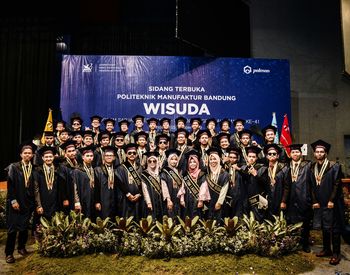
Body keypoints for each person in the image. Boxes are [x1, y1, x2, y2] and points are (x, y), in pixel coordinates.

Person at [310, 139, 344, 265]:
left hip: (331, 202)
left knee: (334, 228)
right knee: (324, 226)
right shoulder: (312, 167)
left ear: (326, 153)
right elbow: (311, 185)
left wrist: (331, 200)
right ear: (314, 154)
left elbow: (336, 184)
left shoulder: (334, 166)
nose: (319, 153)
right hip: (319, 202)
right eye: (317, 152)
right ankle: (326, 249)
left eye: (321, 152)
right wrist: (314, 200)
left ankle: (336, 253)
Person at [4, 142, 37, 264]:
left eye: (29, 153)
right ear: (21, 154)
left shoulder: (34, 169)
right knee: (12, 229)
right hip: (15, 202)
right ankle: (9, 253)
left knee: (23, 227)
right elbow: (10, 186)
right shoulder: (14, 167)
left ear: (32, 155)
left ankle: (21, 247)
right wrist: (13, 200)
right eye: (25, 153)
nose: (27, 155)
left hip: (27, 203)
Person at [285, 144, 312, 253]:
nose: (295, 154)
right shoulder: (287, 166)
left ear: (301, 153)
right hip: (291, 198)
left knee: (305, 222)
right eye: (293, 152)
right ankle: (293, 243)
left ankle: (305, 244)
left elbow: (311, 183)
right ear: (290, 154)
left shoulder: (307, 165)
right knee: (291, 221)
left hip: (303, 197)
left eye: (297, 152)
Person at [198, 147, 229, 222]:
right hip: (208, 203)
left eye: (215, 159)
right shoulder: (207, 173)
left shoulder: (224, 173)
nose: (213, 161)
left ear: (218, 160)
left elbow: (224, 189)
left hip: (220, 202)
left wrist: (219, 202)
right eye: (211, 159)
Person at [115, 143, 144, 221]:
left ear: (137, 154)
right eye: (129, 153)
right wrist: (128, 194)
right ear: (126, 155)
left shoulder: (140, 168)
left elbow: (144, 183)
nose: (132, 155)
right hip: (125, 198)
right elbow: (119, 184)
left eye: (134, 153)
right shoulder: (121, 168)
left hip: (138, 198)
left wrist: (140, 194)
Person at [240, 146, 268, 222]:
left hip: (256, 200)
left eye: (253, 157)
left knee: (257, 220)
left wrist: (256, 175)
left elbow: (266, 184)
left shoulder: (262, 168)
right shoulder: (243, 168)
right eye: (249, 156)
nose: (251, 158)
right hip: (245, 200)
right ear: (247, 157)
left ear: (256, 158)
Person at [261, 144, 289, 220]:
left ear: (278, 156)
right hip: (268, 200)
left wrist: (283, 201)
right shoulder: (264, 169)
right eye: (269, 154)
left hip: (279, 199)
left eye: (274, 154)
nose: (272, 155)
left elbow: (287, 187)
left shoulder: (284, 168)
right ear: (267, 156)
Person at [177, 149, 206, 219]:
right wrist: (182, 199)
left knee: (196, 217)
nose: (192, 164)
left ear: (198, 163)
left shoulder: (201, 174)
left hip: (197, 200)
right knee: (187, 218)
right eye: (190, 162)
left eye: (194, 162)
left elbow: (203, 188)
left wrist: (201, 200)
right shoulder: (186, 174)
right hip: (187, 200)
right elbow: (182, 187)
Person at [216, 146, 243, 218]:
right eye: (230, 157)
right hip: (227, 195)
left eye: (234, 158)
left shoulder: (241, 167)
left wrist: (239, 169)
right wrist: (222, 162)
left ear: (237, 158)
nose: (232, 159)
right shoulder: (225, 168)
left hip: (238, 196)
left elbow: (246, 176)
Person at [72, 145, 97, 221]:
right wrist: (77, 201)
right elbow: (74, 187)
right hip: (83, 198)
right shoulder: (78, 171)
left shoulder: (94, 170)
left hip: (92, 199)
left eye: (91, 156)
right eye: (87, 156)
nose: (90, 158)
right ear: (83, 157)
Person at [94, 146, 119, 219]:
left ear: (114, 157)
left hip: (114, 198)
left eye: (111, 155)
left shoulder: (117, 170)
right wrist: (97, 201)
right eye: (107, 155)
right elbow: (96, 187)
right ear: (104, 157)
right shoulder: (98, 170)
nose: (109, 157)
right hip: (103, 198)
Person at [141, 151, 165, 221]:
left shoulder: (160, 173)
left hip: (159, 200)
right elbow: (144, 189)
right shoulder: (144, 174)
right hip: (150, 199)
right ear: (147, 162)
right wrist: (148, 202)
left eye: (154, 161)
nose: (152, 163)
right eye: (150, 161)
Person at [160, 149, 183, 218]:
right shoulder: (164, 172)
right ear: (168, 160)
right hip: (169, 198)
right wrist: (168, 199)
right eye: (172, 159)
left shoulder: (180, 171)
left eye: (175, 159)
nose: (174, 161)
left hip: (178, 198)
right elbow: (164, 187)